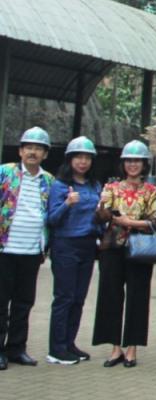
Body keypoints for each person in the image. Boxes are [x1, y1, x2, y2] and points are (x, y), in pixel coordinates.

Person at [92, 140, 156, 368]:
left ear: (144, 164)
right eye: (129, 161)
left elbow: (154, 222)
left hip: (141, 249)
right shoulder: (111, 188)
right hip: (112, 248)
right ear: (123, 163)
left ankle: (132, 348)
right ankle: (115, 348)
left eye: (137, 161)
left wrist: (128, 221)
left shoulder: (151, 191)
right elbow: (101, 218)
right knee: (110, 295)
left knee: (138, 297)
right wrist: (101, 208)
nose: (133, 165)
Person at [0, 127, 54, 369]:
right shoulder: (4, 172)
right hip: (5, 250)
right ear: (21, 151)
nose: (33, 152)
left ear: (45, 154)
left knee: (23, 302)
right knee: (1, 302)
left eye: (38, 148)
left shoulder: (49, 181)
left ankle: (17, 348)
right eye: (29, 147)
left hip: (32, 252)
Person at [46, 136, 103, 365]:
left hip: (87, 246)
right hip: (65, 245)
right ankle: (56, 348)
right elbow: (51, 219)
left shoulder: (94, 185)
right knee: (64, 298)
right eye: (78, 157)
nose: (83, 162)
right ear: (70, 160)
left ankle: (69, 343)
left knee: (78, 298)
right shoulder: (59, 185)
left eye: (87, 157)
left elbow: (98, 218)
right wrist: (67, 203)